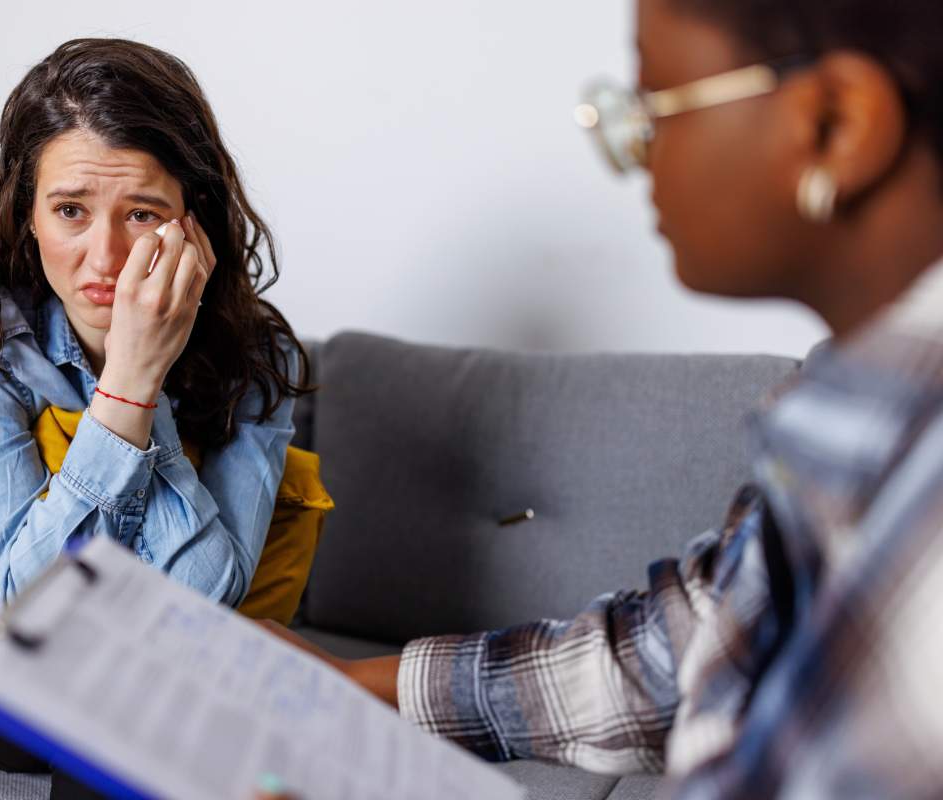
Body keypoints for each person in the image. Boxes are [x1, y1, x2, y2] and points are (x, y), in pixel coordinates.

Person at [265, 0, 943, 796]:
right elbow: (677, 648)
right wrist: (354, 691)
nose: (633, 152)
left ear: (837, 124)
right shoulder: (851, 413)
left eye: (655, 105)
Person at [0, 38, 316, 799]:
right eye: (71, 211)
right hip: (11, 671)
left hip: (180, 673)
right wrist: (131, 386)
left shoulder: (255, 355)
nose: (104, 256)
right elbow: (32, 601)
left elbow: (208, 603)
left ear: (193, 222)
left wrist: (140, 379)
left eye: (141, 213)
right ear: (28, 215)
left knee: (145, 705)